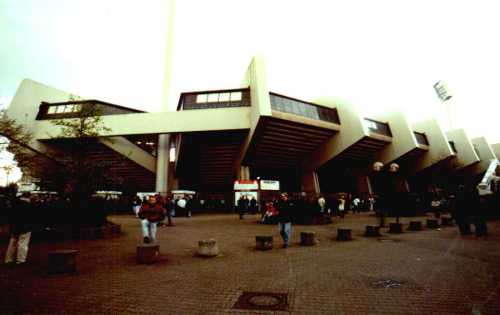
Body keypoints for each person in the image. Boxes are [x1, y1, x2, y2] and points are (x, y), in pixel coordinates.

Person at [4, 194, 34, 266]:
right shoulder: (29, 205)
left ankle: (8, 259)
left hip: (15, 226)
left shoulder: (15, 205)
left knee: (12, 243)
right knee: (23, 243)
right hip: (25, 227)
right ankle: (21, 260)